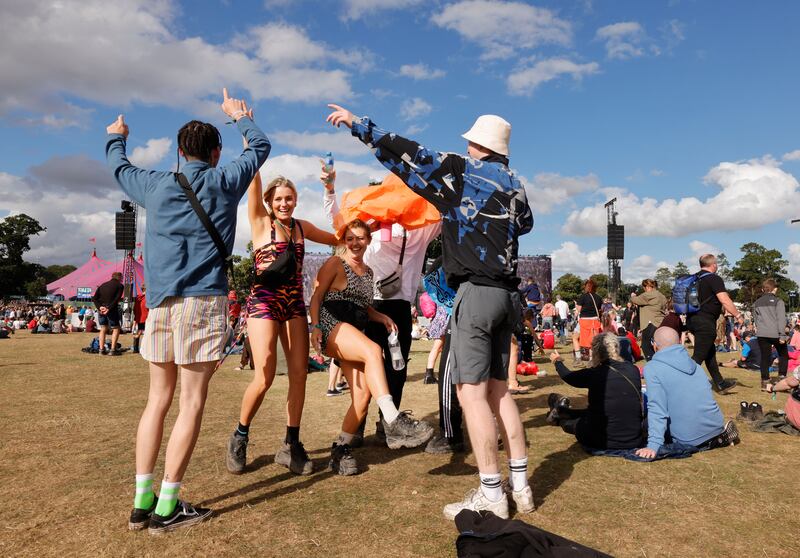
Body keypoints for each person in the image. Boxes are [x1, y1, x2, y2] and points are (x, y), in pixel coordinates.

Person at [326, 105, 534, 519]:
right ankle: (521, 485)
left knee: (470, 393)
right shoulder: (516, 185)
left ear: (477, 145)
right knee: (499, 392)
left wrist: (358, 126)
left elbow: (409, 153)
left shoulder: (463, 171)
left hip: (476, 293)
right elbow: (525, 224)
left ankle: (492, 492)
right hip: (508, 296)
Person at [106, 89, 270, 533]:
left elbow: (120, 166)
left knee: (157, 401)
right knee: (191, 403)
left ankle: (143, 502)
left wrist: (118, 137)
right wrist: (239, 116)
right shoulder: (224, 179)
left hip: (159, 303)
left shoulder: (156, 184)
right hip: (203, 301)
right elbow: (260, 147)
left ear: (178, 153)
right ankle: (169, 505)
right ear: (216, 153)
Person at [226, 170, 338, 478]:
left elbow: (338, 238)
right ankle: (240, 435)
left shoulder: (302, 228)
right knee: (264, 375)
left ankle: (291, 444)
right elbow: (253, 180)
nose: (284, 203)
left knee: (300, 374)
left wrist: (333, 193)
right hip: (264, 302)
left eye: (289, 198)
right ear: (269, 202)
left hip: (293, 304)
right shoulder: (261, 222)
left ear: (296, 200)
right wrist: (251, 140)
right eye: (279, 199)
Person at [322, 164, 441, 442]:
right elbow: (442, 214)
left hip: (374, 306)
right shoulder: (416, 229)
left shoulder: (381, 231)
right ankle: (381, 424)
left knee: (375, 365)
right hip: (384, 306)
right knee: (393, 366)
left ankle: (373, 425)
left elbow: (336, 219)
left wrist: (330, 190)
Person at [309, 219, 434, 475]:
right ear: (344, 241)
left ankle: (340, 449)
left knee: (362, 398)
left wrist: (382, 317)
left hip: (353, 329)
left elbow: (363, 306)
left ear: (369, 240)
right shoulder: (335, 263)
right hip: (333, 323)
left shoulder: (367, 272)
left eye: (360, 238)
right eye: (350, 238)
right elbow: (316, 297)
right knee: (373, 351)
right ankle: (392, 418)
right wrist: (315, 327)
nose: (355, 243)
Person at [635, 327, 740, 460]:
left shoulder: (652, 368)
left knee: (642, 420)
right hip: (715, 427)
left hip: (687, 437)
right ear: (679, 341)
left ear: (654, 345)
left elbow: (657, 409)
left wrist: (653, 445)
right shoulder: (695, 365)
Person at [547, 334, 644, 451]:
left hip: (601, 439)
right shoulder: (633, 370)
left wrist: (557, 361)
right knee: (599, 410)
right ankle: (565, 411)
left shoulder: (595, 373)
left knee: (574, 424)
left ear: (596, 352)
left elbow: (568, 376)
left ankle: (559, 418)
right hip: (633, 438)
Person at [686, 254, 740, 393]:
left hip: (692, 319)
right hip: (705, 321)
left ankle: (720, 383)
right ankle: (680, 384)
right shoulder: (714, 279)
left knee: (709, 355)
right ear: (714, 264)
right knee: (698, 357)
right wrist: (738, 315)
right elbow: (724, 300)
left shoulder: (694, 278)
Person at [753, 278, 789, 388]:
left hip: (762, 334)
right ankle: (782, 377)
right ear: (775, 289)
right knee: (783, 355)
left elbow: (756, 320)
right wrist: (782, 335)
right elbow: (781, 319)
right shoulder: (779, 302)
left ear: (764, 289)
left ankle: (764, 381)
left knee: (765, 357)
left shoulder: (756, 303)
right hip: (776, 333)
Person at [630, 279, 667, 361]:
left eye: (643, 287)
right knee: (659, 345)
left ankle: (652, 363)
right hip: (661, 322)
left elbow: (636, 300)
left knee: (645, 345)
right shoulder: (661, 295)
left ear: (646, 286)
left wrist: (633, 296)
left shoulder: (648, 295)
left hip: (650, 322)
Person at [92, 272, 124, 355]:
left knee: (103, 328)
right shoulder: (120, 286)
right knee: (116, 328)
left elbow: (95, 298)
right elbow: (117, 299)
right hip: (111, 309)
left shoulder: (102, 285)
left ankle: (101, 350)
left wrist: (100, 307)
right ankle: (113, 350)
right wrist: (108, 308)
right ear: (120, 278)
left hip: (101, 310)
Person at [575, 279, 603, 363]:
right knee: (593, 341)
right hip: (595, 321)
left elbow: (578, 309)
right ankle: (591, 359)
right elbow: (599, 310)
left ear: (586, 287)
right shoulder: (598, 298)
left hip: (585, 321)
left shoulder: (583, 296)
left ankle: (578, 358)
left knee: (574, 337)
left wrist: (577, 304)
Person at [132, 285, 148, 354]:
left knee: (139, 332)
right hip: (147, 317)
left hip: (139, 317)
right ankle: (145, 349)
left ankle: (135, 349)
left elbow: (134, 308)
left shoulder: (138, 298)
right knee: (147, 333)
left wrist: (136, 318)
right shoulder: (147, 297)